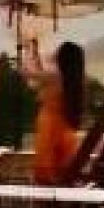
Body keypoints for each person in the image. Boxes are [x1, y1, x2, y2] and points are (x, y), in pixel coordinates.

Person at [30, 39, 86, 185]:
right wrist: (35, 52)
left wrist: (25, 51)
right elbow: (40, 73)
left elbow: (28, 73)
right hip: (65, 127)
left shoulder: (54, 76)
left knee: (46, 175)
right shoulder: (72, 79)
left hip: (49, 126)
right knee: (61, 172)